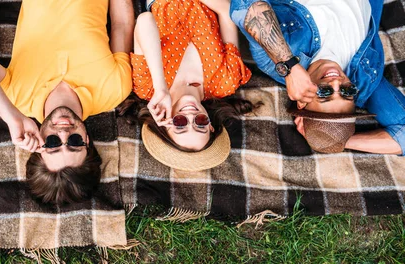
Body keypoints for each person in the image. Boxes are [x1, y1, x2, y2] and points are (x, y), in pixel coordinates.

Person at [0, 0, 134, 204]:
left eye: (53, 143)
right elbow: (121, 24)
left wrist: (11, 117)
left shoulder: (17, 99)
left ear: (40, 144)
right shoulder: (115, 89)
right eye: (74, 143)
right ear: (87, 142)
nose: (63, 133)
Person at [230, 0, 405, 155]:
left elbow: (244, 6)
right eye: (347, 91)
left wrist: (288, 63)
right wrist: (336, 141)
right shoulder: (365, 83)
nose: (337, 82)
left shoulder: (274, 60)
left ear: (302, 102)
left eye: (325, 92)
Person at [118, 0, 253, 171]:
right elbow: (226, 12)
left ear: (165, 125)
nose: (191, 116)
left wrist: (161, 88)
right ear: (210, 125)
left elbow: (145, 20)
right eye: (200, 123)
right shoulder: (225, 82)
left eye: (180, 123)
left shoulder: (148, 87)